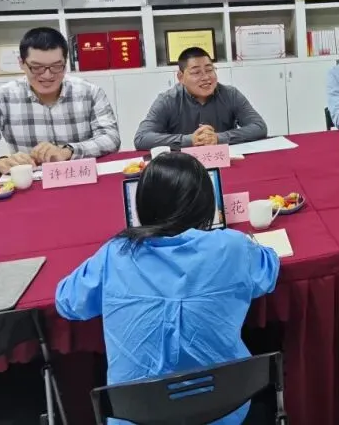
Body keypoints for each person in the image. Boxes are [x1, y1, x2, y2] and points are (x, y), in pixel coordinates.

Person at [56, 152, 279, 425]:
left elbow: (67, 302)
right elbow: (268, 271)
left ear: (141, 206)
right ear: (207, 206)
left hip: (135, 415)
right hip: (225, 409)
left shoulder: (116, 254)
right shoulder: (232, 247)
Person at [0, 27, 120, 173]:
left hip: (79, 175)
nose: (47, 75)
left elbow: (111, 138)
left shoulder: (90, 93)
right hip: (31, 180)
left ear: (65, 63)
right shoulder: (2, 98)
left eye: (56, 66)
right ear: (21, 63)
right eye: (37, 67)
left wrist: (68, 151)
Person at [134, 47, 267, 150]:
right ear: (181, 77)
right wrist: (190, 140)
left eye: (209, 70)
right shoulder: (167, 100)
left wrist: (219, 138)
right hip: (183, 165)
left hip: (224, 159)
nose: (206, 77)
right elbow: (141, 138)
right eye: (196, 72)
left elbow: (259, 127)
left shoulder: (230, 94)